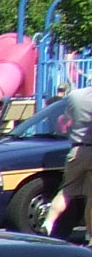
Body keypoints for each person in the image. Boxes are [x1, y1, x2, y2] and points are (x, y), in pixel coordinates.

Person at [42, 81, 92, 241]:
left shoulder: (75, 96)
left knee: (66, 190)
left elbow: (67, 118)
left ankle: (48, 223)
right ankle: (90, 235)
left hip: (76, 150)